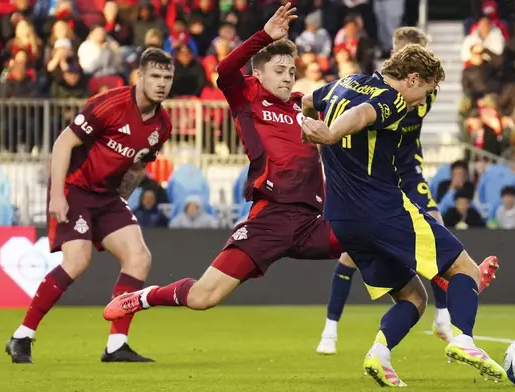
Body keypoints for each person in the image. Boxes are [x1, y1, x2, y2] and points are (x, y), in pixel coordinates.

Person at [102, 3, 342, 336]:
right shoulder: (248, 96)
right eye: (280, 70)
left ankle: (414, 311)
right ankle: (143, 297)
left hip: (311, 221)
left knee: (367, 239)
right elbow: (225, 70)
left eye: (291, 70)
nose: (288, 76)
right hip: (269, 219)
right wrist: (264, 37)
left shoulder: (303, 106)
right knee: (203, 297)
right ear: (258, 73)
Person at [300, 44, 506, 386]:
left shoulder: (344, 82)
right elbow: (363, 115)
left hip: (342, 221)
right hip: (381, 210)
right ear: (411, 78)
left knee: (414, 297)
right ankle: (464, 340)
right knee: (465, 267)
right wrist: (332, 134)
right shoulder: (392, 98)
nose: (417, 103)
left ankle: (379, 355)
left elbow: (307, 101)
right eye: (422, 93)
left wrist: (300, 118)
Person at [5, 48, 175, 364]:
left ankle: (116, 345)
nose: (162, 83)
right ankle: (22, 336)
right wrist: (57, 195)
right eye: (155, 76)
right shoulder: (110, 103)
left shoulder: (162, 125)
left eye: (167, 77)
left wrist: (123, 196)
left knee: (138, 258)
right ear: (140, 77)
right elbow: (63, 143)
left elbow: (138, 165)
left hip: (108, 197)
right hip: (76, 188)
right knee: (78, 261)